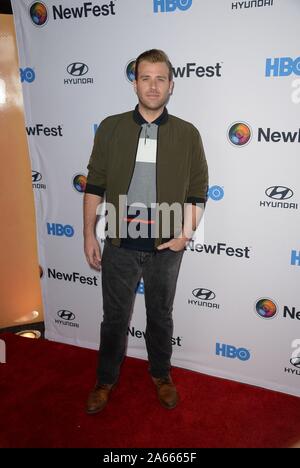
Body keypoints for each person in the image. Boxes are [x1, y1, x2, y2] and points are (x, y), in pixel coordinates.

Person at [83, 49, 208, 414]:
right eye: (145, 77)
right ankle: (105, 380)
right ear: (134, 81)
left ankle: (161, 375)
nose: (153, 86)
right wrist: (89, 234)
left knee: (161, 315)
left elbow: (197, 189)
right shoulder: (111, 127)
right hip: (120, 243)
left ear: (171, 85)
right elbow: (95, 184)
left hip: (168, 245)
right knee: (115, 319)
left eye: (160, 78)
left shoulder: (188, 134)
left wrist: (185, 234)